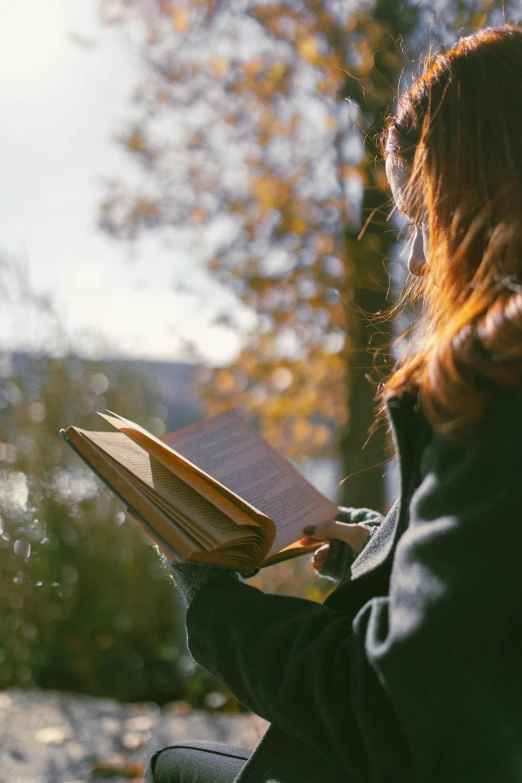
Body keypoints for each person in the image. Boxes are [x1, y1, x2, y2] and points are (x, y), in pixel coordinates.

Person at [145, 26, 522, 782]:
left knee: (172, 767)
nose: (416, 258)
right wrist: (387, 547)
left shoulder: (497, 386)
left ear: (481, 191)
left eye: (423, 216)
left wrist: (212, 602)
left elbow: (384, 708)